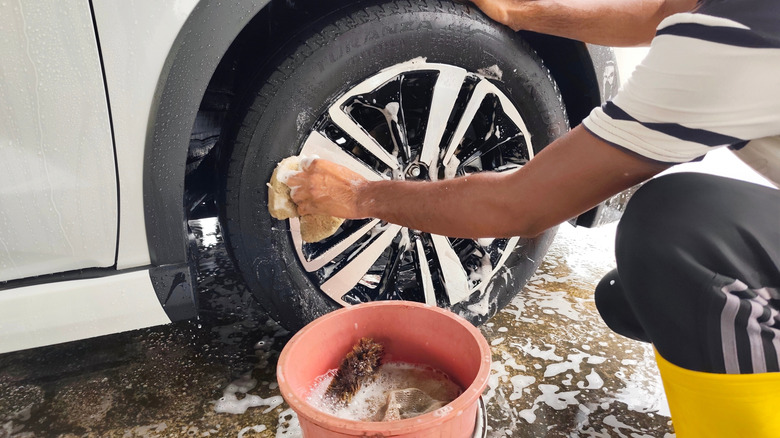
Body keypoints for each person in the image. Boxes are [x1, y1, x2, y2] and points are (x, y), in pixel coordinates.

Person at [288, 0, 780, 434]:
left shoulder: (734, 35)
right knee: (637, 293)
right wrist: (523, 12)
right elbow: (663, 12)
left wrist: (359, 197)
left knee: (677, 236)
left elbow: (516, 205)